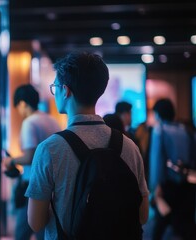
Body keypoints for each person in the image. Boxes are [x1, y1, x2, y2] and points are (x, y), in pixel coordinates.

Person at [25, 52, 149, 239]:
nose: (55, 92)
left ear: (65, 91)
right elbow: (143, 215)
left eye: (55, 87)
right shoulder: (129, 146)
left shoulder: (49, 149)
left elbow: (36, 222)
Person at [2, 84, 61, 240]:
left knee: (22, 233)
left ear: (22, 103)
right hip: (53, 185)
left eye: (18, 107)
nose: (19, 111)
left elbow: (30, 156)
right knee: (45, 230)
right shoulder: (51, 120)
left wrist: (11, 160)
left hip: (34, 185)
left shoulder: (30, 123)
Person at [149, 98, 196, 240]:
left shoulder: (160, 130)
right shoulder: (186, 130)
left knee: (161, 223)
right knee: (185, 222)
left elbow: (157, 160)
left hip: (168, 185)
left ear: (158, 114)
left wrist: (155, 186)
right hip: (188, 184)